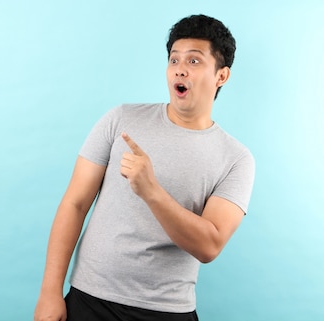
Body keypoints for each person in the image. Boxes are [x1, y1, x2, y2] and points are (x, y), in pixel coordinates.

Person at [33, 14, 255, 321]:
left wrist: (151, 191)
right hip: (89, 301)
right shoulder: (121, 119)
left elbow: (210, 244)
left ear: (221, 76)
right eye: (174, 59)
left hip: (166, 312)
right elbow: (75, 203)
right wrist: (49, 291)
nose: (180, 68)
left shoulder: (236, 158)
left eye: (194, 61)